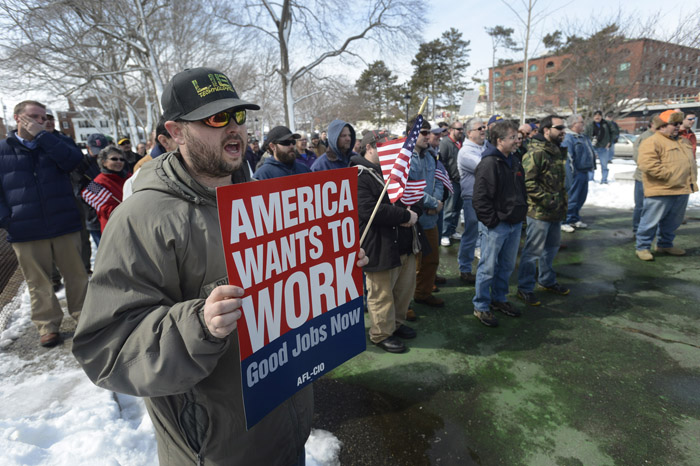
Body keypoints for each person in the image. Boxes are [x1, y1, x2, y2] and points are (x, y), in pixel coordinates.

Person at [72, 67, 367, 466]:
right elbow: (105, 349)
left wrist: (334, 269)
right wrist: (200, 325)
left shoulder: (265, 202)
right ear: (175, 132)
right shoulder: (142, 218)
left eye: (238, 117)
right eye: (216, 119)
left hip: (284, 427)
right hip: (217, 450)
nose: (234, 129)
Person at [0, 100, 88, 347]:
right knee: (37, 282)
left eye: (43, 116)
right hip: (25, 230)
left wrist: (44, 137)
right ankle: (47, 326)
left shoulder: (56, 143)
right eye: (34, 117)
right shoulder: (2, 149)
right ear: (17, 119)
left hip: (64, 223)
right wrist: (7, 219)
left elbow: (73, 162)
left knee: (77, 275)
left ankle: (84, 318)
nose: (40, 121)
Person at [351, 130, 419, 353]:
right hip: (379, 244)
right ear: (369, 147)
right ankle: (381, 334)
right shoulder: (358, 174)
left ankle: (396, 325)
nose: (393, 151)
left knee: (403, 290)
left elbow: (404, 197)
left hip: (402, 241)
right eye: (385, 146)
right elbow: (369, 210)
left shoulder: (392, 171)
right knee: (381, 293)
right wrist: (404, 216)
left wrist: (410, 210)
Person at [471, 121, 528, 327]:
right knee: (488, 268)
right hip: (497, 225)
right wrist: (492, 222)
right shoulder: (489, 163)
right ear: (499, 141)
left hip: (513, 224)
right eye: (512, 138)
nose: (517, 141)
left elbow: (520, 190)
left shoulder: (513, 160)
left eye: (516, 137)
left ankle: (499, 299)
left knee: (506, 266)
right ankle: (481, 306)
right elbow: (480, 199)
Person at [517, 115, 570, 306]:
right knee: (533, 252)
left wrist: (560, 202)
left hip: (555, 210)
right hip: (539, 211)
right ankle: (524, 287)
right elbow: (527, 182)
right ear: (546, 130)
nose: (563, 131)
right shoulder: (536, 152)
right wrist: (548, 200)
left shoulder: (555, 150)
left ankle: (547, 280)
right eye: (559, 128)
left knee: (551, 248)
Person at [634, 110, 697, 261]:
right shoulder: (652, 141)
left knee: (673, 221)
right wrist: (669, 177)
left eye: (679, 123)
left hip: (682, 188)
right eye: (674, 124)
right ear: (662, 126)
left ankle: (665, 244)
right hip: (662, 189)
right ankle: (642, 247)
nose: (678, 126)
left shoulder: (683, 141)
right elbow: (647, 164)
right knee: (650, 220)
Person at [408, 117, 444, 308]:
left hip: (430, 218)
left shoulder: (430, 156)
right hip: (413, 221)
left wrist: (436, 201)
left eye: (428, 132)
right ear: (411, 135)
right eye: (423, 132)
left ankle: (423, 293)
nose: (428, 136)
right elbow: (409, 189)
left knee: (431, 261)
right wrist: (432, 202)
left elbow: (438, 180)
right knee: (411, 267)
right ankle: (405, 306)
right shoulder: (404, 159)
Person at [456, 117, 488, 285]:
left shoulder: (484, 147)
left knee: (483, 234)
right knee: (471, 234)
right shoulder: (466, 152)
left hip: (486, 198)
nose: (483, 130)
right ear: (469, 133)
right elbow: (486, 169)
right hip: (473, 198)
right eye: (479, 128)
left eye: (484, 127)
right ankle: (465, 268)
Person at [561, 114, 595, 231]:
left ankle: (574, 218)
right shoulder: (568, 138)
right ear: (574, 125)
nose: (583, 124)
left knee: (581, 197)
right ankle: (565, 220)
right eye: (581, 122)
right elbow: (568, 157)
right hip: (575, 173)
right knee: (572, 197)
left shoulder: (583, 137)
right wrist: (571, 173)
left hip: (584, 172)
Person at [90, 146, 131, 232]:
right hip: (114, 229)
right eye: (114, 159)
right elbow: (107, 210)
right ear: (103, 162)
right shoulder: (94, 185)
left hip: (134, 224)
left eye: (122, 159)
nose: (119, 162)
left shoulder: (130, 177)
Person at [438, 120, 465, 247]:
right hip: (451, 181)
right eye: (458, 129)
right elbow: (442, 161)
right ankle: (444, 233)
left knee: (457, 208)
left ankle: (452, 230)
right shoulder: (445, 143)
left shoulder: (462, 142)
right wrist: (446, 178)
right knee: (448, 209)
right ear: (451, 130)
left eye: (462, 129)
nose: (461, 131)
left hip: (461, 180)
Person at [631, 117, 657, 236]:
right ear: (652, 123)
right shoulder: (645, 137)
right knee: (641, 205)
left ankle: (649, 228)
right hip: (643, 178)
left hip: (656, 179)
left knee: (653, 206)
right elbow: (638, 158)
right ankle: (637, 228)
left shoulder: (662, 137)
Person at [585, 110, 613, 184]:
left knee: (604, 165)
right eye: (596, 116)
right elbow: (585, 135)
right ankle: (590, 180)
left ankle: (604, 180)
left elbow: (613, 133)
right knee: (591, 164)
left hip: (603, 147)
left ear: (601, 116)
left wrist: (609, 142)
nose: (597, 117)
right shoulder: (589, 125)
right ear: (593, 117)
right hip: (592, 147)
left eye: (599, 115)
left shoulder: (606, 124)